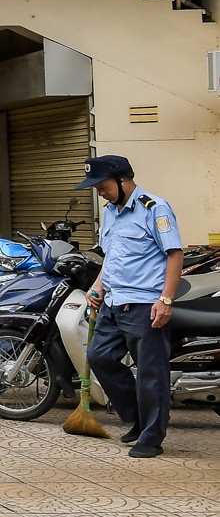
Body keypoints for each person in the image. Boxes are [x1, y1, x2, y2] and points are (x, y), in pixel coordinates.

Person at [79, 155, 183, 459]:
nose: (100, 192)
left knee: (151, 372)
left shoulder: (155, 208)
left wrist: (165, 299)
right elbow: (112, 256)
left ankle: (151, 436)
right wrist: (97, 286)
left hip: (144, 303)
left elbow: (175, 255)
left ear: (124, 180)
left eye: (103, 186)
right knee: (99, 357)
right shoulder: (110, 213)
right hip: (112, 301)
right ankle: (139, 419)